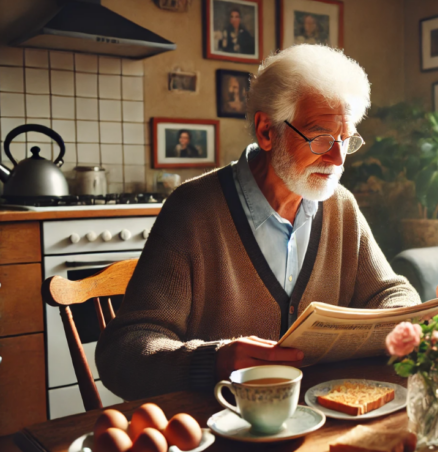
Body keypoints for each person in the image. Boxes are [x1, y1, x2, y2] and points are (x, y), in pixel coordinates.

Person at [96, 44, 420, 399]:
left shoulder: (341, 205)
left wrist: (383, 323)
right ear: (267, 131)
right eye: (321, 138)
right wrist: (213, 359)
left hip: (322, 420)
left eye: (346, 139)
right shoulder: (192, 210)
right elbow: (122, 352)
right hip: (218, 424)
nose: (337, 157)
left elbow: (393, 293)